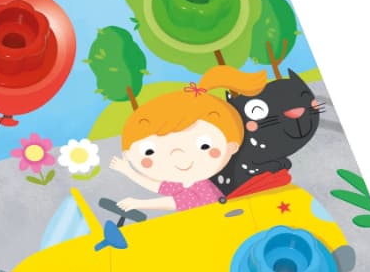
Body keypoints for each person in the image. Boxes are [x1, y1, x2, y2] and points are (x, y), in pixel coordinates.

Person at [111, 66, 267, 212]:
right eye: (149, 151)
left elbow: (179, 202)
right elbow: (158, 186)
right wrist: (128, 171)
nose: (177, 155)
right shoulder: (186, 182)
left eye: (204, 145)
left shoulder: (202, 188)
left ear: (232, 146)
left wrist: (139, 204)